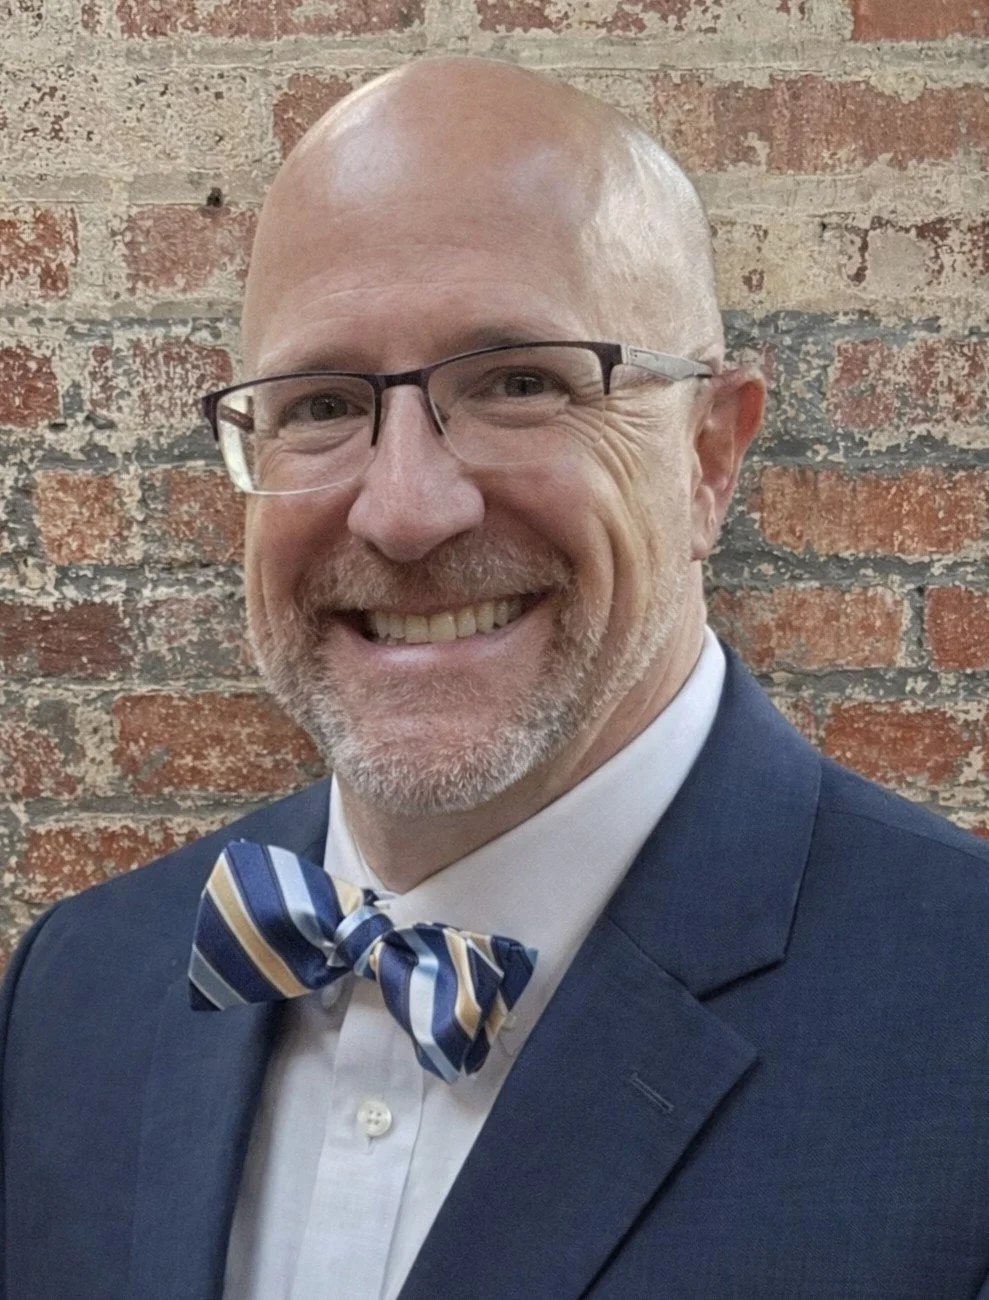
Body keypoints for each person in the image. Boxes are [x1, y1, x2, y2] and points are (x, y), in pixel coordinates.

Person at [3, 56, 989, 1300]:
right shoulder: (78, 989)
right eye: (317, 403)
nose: (405, 509)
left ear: (706, 456)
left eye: (519, 383)